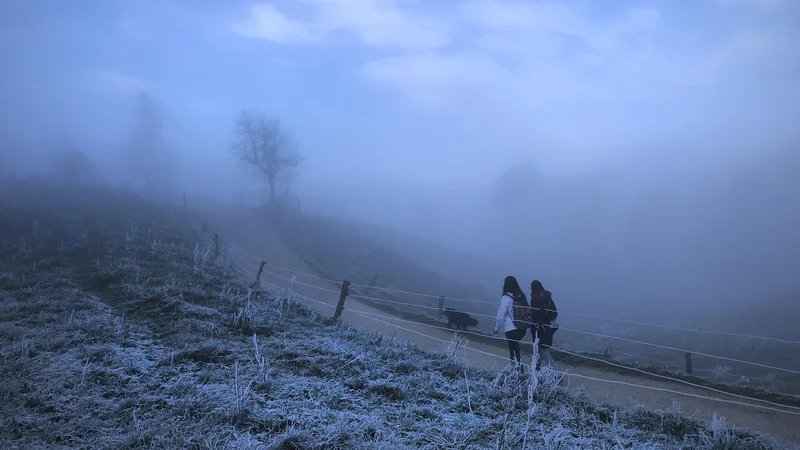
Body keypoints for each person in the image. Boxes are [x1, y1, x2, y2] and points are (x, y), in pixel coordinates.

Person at [494, 276, 528, 368]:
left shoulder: (506, 297)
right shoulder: (521, 296)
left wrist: (497, 328)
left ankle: (516, 370)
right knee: (515, 347)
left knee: (512, 350)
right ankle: (518, 368)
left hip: (511, 328)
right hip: (522, 327)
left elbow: (501, 314)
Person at [530, 279, 559, 370]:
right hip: (548, 329)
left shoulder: (534, 299)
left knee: (543, 352)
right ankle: (536, 372)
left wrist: (541, 320)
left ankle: (556, 374)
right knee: (540, 352)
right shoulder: (548, 297)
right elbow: (554, 313)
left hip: (540, 329)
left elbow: (534, 315)